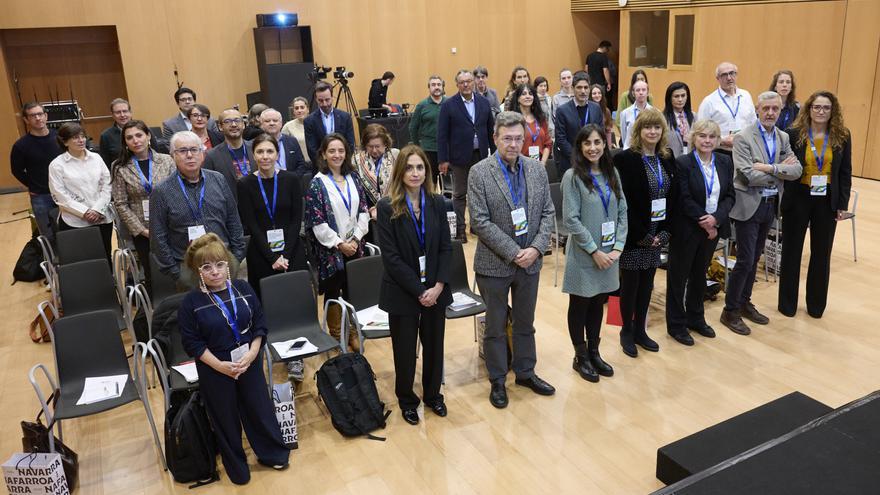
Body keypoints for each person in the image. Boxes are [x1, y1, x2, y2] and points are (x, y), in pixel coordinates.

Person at [177, 233, 289, 485]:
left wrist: (251, 354)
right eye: (206, 267)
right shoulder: (191, 304)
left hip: (248, 361)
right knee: (225, 419)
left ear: (228, 263)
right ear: (197, 271)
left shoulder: (244, 289)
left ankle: (272, 453)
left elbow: (260, 324)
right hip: (215, 368)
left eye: (219, 264)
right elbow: (192, 343)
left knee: (259, 409)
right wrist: (221, 366)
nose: (215, 271)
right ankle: (236, 466)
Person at [468, 111, 556, 408]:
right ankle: (497, 380)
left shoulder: (536, 170)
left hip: (530, 261)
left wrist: (535, 249)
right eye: (507, 138)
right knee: (495, 326)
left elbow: (547, 213)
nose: (514, 144)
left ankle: (526, 372)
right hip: (494, 264)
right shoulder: (479, 172)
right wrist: (514, 252)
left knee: (525, 322)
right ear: (495, 139)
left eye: (519, 138)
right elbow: (479, 222)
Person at [376, 144, 452, 425]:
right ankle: (407, 399)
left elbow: (446, 247)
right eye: (409, 167)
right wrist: (420, 291)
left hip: (435, 289)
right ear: (400, 171)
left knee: (435, 347)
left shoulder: (436, 202)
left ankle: (433, 395)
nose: (415, 172)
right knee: (405, 351)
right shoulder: (387, 207)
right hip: (404, 292)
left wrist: (439, 287)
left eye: (420, 167)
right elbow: (392, 258)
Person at [721, 91, 801, 335]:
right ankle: (730, 310)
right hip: (748, 206)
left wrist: (767, 167)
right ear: (757, 109)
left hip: (770, 206)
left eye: (774, 109)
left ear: (780, 111)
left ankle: (744, 302)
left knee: (755, 258)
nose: (770, 113)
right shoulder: (743, 137)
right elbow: (747, 174)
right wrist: (779, 172)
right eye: (765, 108)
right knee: (745, 260)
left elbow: (796, 170)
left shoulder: (783, 137)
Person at [561, 124, 627, 382]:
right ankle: (580, 357)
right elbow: (571, 220)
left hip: (610, 254)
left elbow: (623, 211)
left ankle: (594, 351)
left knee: (598, 301)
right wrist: (594, 251)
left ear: (604, 144)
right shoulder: (572, 177)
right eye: (587, 143)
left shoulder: (613, 173)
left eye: (598, 142)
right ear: (579, 147)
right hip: (584, 255)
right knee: (580, 304)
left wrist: (618, 246)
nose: (593, 148)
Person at [778, 91, 851, 319]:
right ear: (808, 109)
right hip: (798, 196)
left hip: (827, 199)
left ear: (833, 111)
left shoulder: (842, 135)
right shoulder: (793, 133)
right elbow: (784, 166)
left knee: (821, 253)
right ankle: (787, 304)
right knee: (791, 251)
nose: (821, 112)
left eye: (826, 108)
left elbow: (845, 172)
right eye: (817, 107)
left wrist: (842, 203)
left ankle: (816, 305)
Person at [665, 120, 735, 346]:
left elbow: (730, 196)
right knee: (679, 276)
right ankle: (676, 324)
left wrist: (716, 219)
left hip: (712, 229)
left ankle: (696, 317)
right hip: (687, 228)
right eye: (702, 136)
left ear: (717, 140)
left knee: (699, 275)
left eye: (712, 137)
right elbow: (683, 197)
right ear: (693, 138)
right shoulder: (683, 163)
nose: (707, 140)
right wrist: (705, 221)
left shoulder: (724, 162)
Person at [613, 108, 675, 358]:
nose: (652, 131)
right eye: (647, 127)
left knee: (648, 284)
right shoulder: (626, 159)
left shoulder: (666, 158)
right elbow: (623, 203)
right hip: (634, 235)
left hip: (657, 234)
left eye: (657, 127)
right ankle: (625, 331)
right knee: (629, 286)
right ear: (638, 130)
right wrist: (642, 235)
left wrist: (665, 232)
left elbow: (673, 197)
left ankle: (640, 329)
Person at [150, 131, 245, 289]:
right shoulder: (161, 191)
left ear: (202, 153)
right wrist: (176, 272)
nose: (189, 155)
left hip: (224, 262)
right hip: (188, 269)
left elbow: (233, 220)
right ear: (172, 155)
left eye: (194, 150)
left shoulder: (218, 179)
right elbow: (158, 238)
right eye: (182, 151)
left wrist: (235, 257)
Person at [304, 133, 370, 352]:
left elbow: (363, 211)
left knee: (352, 290)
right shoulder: (317, 183)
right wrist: (340, 244)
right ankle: (336, 333)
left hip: (355, 245)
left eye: (341, 150)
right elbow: (317, 222)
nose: (337, 155)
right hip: (331, 250)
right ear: (323, 154)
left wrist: (356, 238)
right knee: (334, 291)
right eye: (331, 151)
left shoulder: (354, 178)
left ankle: (352, 330)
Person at [237, 133, 307, 298]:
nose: (265, 156)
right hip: (262, 252)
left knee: (297, 298)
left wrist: (285, 255)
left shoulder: (291, 179)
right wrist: (273, 257)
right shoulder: (244, 184)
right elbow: (251, 224)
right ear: (253, 155)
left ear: (277, 154)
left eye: (270, 151)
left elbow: (296, 219)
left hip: (291, 248)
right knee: (268, 300)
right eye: (260, 152)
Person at [111, 120, 175, 293]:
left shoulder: (167, 160)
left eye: (139, 135)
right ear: (125, 143)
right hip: (143, 230)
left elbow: (176, 192)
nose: (135, 141)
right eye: (129, 138)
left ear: (148, 136)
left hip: (170, 225)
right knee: (152, 273)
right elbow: (121, 203)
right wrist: (141, 230)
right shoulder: (120, 167)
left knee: (176, 267)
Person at [437, 69, 495, 242]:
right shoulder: (449, 105)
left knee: (480, 193)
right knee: (460, 194)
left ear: (474, 82)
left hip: (481, 156)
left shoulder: (484, 102)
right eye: (462, 82)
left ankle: (477, 226)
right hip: (459, 157)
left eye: (469, 81)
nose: (466, 84)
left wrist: (497, 155)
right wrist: (443, 159)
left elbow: (491, 130)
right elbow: (442, 134)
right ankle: (460, 229)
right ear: (457, 85)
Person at [48, 122, 113, 259]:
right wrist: (85, 212)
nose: (81, 140)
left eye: (83, 136)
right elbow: (59, 195)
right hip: (75, 221)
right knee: (82, 259)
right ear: (65, 142)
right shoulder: (57, 165)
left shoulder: (96, 158)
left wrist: (97, 209)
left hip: (101, 217)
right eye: (75, 137)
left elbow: (107, 185)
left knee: (104, 256)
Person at [10, 102, 62, 242]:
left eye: (40, 114)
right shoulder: (21, 145)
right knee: (48, 235)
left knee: (68, 231)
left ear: (46, 116)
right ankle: (53, 263)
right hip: (41, 195)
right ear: (26, 120)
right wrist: (33, 185)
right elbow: (16, 170)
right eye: (33, 116)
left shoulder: (59, 138)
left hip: (65, 192)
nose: (38, 118)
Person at [697, 62, 757, 154]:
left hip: (745, 151)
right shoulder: (709, 101)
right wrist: (721, 141)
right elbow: (700, 131)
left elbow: (753, 123)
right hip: (720, 151)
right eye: (724, 75)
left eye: (732, 73)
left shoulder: (746, 96)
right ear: (718, 78)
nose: (729, 78)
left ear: (736, 75)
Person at [555, 72, 603, 174]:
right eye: (579, 87)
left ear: (589, 89)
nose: (583, 91)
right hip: (571, 163)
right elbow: (560, 139)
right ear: (572, 88)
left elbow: (601, 134)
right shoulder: (562, 110)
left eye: (586, 87)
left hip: (593, 160)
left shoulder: (596, 108)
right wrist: (578, 156)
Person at [203, 108, 254, 202]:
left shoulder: (255, 149)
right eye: (227, 121)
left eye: (237, 120)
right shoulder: (212, 156)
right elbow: (208, 188)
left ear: (243, 124)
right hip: (230, 208)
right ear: (220, 127)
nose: (233, 125)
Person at [352, 123, 399, 221]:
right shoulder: (356, 161)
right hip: (368, 213)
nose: (374, 150)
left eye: (377, 146)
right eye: (370, 146)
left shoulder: (395, 155)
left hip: (393, 209)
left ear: (385, 144)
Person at [303, 81, 356, 163]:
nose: (324, 104)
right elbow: (312, 150)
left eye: (327, 100)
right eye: (320, 100)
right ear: (316, 99)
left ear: (332, 97)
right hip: (321, 167)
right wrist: (326, 165)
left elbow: (350, 145)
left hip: (343, 165)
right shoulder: (309, 121)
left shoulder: (345, 117)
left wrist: (340, 163)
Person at [409, 74, 446, 184]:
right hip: (429, 149)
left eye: (439, 84)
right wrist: (417, 146)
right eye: (433, 85)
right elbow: (413, 127)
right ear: (429, 87)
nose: (436, 87)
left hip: (447, 149)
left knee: (448, 182)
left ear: (443, 87)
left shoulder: (450, 103)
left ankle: (447, 201)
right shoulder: (422, 105)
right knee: (430, 181)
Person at [508, 83, 552, 164]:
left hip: (539, 164)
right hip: (519, 164)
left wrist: (543, 163)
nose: (528, 96)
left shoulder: (540, 118)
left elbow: (548, 144)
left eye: (530, 94)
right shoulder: (513, 120)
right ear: (518, 98)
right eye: (524, 94)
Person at [259, 108, 308, 176]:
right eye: (267, 121)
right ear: (261, 124)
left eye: (275, 120)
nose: (272, 123)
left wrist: (292, 179)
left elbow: (301, 164)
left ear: (281, 123)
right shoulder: (257, 144)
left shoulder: (292, 141)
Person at [663, 82, 695, 157]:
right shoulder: (662, 118)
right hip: (671, 161)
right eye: (676, 96)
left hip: (690, 161)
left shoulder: (694, 116)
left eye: (683, 95)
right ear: (669, 98)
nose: (680, 99)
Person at [619, 80, 653, 149]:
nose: (641, 92)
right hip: (630, 150)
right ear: (633, 93)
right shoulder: (625, 113)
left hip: (648, 149)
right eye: (638, 90)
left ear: (647, 92)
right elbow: (624, 136)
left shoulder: (654, 112)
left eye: (643, 90)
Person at [98, 98, 132, 167]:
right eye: (118, 112)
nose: (122, 115)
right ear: (112, 115)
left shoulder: (143, 129)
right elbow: (106, 163)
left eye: (125, 111)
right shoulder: (106, 136)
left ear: (130, 112)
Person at [281, 97, 313, 167]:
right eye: (296, 108)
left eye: (302, 107)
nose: (299, 110)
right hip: (299, 166)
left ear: (308, 109)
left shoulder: (315, 123)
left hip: (316, 164)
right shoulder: (287, 126)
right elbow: (282, 148)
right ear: (293, 111)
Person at [533, 76, 555, 141]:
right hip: (538, 128)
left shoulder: (549, 98)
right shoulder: (533, 99)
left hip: (550, 128)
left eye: (545, 86)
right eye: (540, 86)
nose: (543, 88)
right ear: (536, 87)